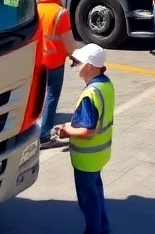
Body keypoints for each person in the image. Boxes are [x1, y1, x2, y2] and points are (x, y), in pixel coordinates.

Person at [54, 44, 115, 234]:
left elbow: (88, 130)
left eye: (78, 63)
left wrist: (65, 131)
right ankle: (103, 229)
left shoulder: (91, 94)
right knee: (96, 194)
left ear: (89, 65)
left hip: (86, 157)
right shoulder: (106, 84)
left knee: (88, 201)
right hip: (100, 154)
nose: (75, 66)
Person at [37, 0, 78, 148]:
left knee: (38, 97)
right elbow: (69, 43)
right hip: (54, 63)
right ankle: (45, 136)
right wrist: (74, 58)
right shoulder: (61, 13)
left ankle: (35, 128)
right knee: (52, 96)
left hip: (37, 62)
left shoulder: (36, 7)